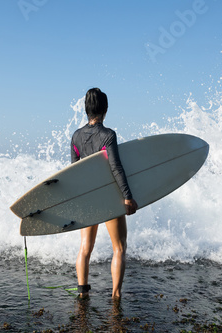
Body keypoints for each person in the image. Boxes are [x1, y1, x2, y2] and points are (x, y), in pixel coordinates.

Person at [71, 87, 138, 299]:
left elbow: (74, 171)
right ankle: (116, 295)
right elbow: (116, 167)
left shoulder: (76, 137)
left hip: (89, 198)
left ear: (86, 110)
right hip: (109, 197)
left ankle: (82, 293)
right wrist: (127, 196)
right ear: (105, 109)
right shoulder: (108, 135)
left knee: (85, 248)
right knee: (119, 247)